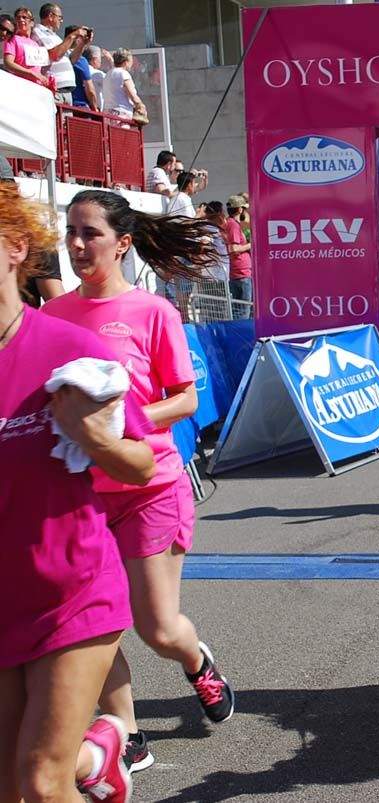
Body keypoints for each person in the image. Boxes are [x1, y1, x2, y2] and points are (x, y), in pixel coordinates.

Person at [43, 189, 236, 772]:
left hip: (151, 488)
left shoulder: (152, 312)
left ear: (123, 244)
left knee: (156, 626)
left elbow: (186, 400)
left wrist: (119, 423)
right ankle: (126, 733)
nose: (77, 244)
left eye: (90, 233)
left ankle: (197, 663)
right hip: (81, 498)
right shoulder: (52, 317)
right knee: (92, 627)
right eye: (71, 232)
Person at [0, 180, 153, 803]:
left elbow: (141, 463)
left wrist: (94, 438)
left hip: (74, 593)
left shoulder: (70, 352)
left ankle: (85, 757)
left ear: (14, 247)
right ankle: (98, 754)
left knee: (40, 781)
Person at [32, 3, 88, 106]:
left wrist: (83, 44)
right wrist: (73, 35)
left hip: (67, 91)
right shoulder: (38, 32)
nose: (61, 21)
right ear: (50, 16)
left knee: (66, 122)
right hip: (54, 89)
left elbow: (71, 60)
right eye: (60, 17)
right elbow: (55, 55)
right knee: (55, 121)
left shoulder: (55, 37)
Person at [2, 7, 55, 90]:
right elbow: (8, 63)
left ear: (32, 23)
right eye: (17, 18)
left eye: (24, 17)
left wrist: (46, 81)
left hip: (36, 88)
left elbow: (38, 70)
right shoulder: (12, 39)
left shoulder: (36, 44)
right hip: (20, 87)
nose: (20, 20)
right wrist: (30, 73)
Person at [219, 199, 253, 318]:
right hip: (241, 273)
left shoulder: (231, 223)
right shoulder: (233, 224)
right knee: (243, 311)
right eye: (244, 208)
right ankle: (241, 336)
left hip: (239, 272)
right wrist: (252, 244)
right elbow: (233, 248)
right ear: (240, 209)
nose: (245, 211)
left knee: (241, 310)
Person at [101, 48, 142, 120]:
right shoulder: (124, 74)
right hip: (121, 115)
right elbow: (132, 96)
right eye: (131, 61)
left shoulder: (108, 74)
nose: (131, 64)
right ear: (125, 62)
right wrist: (141, 106)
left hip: (107, 115)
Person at [70, 35, 99, 110]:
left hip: (67, 105)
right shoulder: (81, 61)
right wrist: (95, 108)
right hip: (81, 106)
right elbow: (90, 89)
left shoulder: (62, 57)